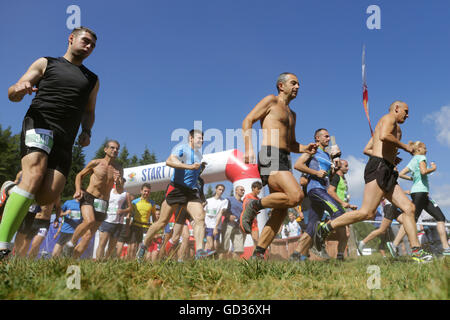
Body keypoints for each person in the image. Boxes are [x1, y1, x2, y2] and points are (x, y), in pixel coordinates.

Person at [0, 27, 99, 259]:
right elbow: (12, 91)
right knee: (33, 175)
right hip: (40, 123)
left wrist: (87, 131)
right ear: (71, 38)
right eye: (86, 41)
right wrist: (19, 89)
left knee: (46, 196)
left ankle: (11, 189)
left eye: (93, 45)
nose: (89, 47)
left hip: (66, 139)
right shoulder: (47, 63)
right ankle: (3, 246)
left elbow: (90, 110)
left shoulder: (92, 79)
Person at [313, 101, 434, 263]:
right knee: (366, 213)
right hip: (379, 167)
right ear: (396, 108)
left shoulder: (393, 126)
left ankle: (416, 250)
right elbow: (384, 136)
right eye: (406, 111)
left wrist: (392, 156)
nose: (407, 114)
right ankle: (325, 227)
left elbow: (367, 149)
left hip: (388, 168)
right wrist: (405, 147)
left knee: (409, 208)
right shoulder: (389, 119)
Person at [241, 72, 317, 260]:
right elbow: (248, 120)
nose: (298, 87)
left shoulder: (292, 114)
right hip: (269, 154)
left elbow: (291, 144)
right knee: (296, 195)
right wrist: (248, 148)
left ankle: (258, 253)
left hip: (284, 158)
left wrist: (305, 147)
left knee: (282, 208)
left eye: (299, 84)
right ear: (281, 86)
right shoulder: (271, 101)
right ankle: (254, 204)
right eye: (294, 83)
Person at [136, 129, 211, 260]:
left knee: (200, 218)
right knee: (162, 222)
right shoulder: (182, 148)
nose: (202, 141)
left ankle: (199, 251)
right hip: (176, 189)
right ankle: (143, 246)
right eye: (199, 138)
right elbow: (169, 161)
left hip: (191, 192)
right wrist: (189, 167)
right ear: (191, 138)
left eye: (203, 139)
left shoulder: (199, 155)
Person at [290, 129, 349, 261]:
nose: (328, 139)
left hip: (322, 189)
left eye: (329, 137)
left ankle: (296, 256)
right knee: (338, 213)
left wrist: (335, 164)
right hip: (315, 190)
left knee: (311, 227)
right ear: (317, 138)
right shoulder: (313, 150)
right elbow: (297, 165)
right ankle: (320, 236)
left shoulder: (327, 156)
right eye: (326, 136)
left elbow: (329, 176)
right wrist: (315, 173)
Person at [63, 140, 124, 258]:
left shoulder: (118, 169)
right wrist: (77, 190)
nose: (115, 150)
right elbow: (79, 175)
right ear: (105, 150)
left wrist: (118, 182)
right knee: (89, 221)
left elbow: (120, 190)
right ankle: (70, 244)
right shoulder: (96, 163)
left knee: (88, 236)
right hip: (89, 197)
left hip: (103, 202)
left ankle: (72, 261)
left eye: (117, 149)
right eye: (112, 148)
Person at [396, 141, 449, 256]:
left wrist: (413, 179)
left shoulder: (413, 160)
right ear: (419, 149)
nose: (426, 150)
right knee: (411, 219)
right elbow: (424, 171)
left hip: (421, 193)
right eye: (425, 148)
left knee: (440, 217)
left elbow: (400, 174)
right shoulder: (421, 157)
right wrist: (433, 168)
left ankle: (446, 248)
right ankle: (394, 244)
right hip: (420, 192)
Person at [96, 188, 132, 259]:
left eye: (121, 178)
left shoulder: (126, 194)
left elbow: (130, 208)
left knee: (111, 247)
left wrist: (123, 210)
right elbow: (99, 201)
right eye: (117, 177)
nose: (119, 180)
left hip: (118, 223)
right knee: (102, 243)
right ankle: (98, 261)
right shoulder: (108, 190)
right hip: (107, 221)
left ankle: (105, 261)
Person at [127, 184, 156, 259]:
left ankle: (139, 263)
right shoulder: (134, 202)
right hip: (135, 225)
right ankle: (130, 262)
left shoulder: (152, 204)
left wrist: (156, 229)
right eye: (145, 191)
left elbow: (154, 217)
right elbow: (130, 215)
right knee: (133, 246)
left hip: (146, 228)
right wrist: (127, 226)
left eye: (148, 192)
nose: (146, 193)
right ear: (141, 191)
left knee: (143, 247)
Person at [221, 186, 246, 259]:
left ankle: (235, 266)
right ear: (236, 190)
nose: (243, 191)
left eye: (243, 190)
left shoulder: (243, 203)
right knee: (224, 247)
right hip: (228, 224)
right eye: (241, 190)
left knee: (239, 249)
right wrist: (228, 216)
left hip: (238, 227)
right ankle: (222, 263)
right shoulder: (229, 199)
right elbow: (222, 210)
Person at [204, 184, 227, 254]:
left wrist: (216, 227)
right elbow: (204, 212)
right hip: (207, 225)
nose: (221, 191)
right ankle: (203, 258)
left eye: (222, 190)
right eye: (220, 189)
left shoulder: (224, 201)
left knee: (215, 245)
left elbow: (220, 214)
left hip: (216, 226)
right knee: (209, 244)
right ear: (216, 189)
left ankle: (209, 258)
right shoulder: (208, 200)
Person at [242, 181, 263, 246]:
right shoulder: (248, 196)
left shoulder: (259, 199)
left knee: (256, 242)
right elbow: (245, 208)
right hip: (245, 221)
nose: (259, 191)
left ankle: (255, 256)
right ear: (253, 188)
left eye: (260, 189)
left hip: (254, 223)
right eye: (258, 189)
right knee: (241, 243)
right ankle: (234, 255)